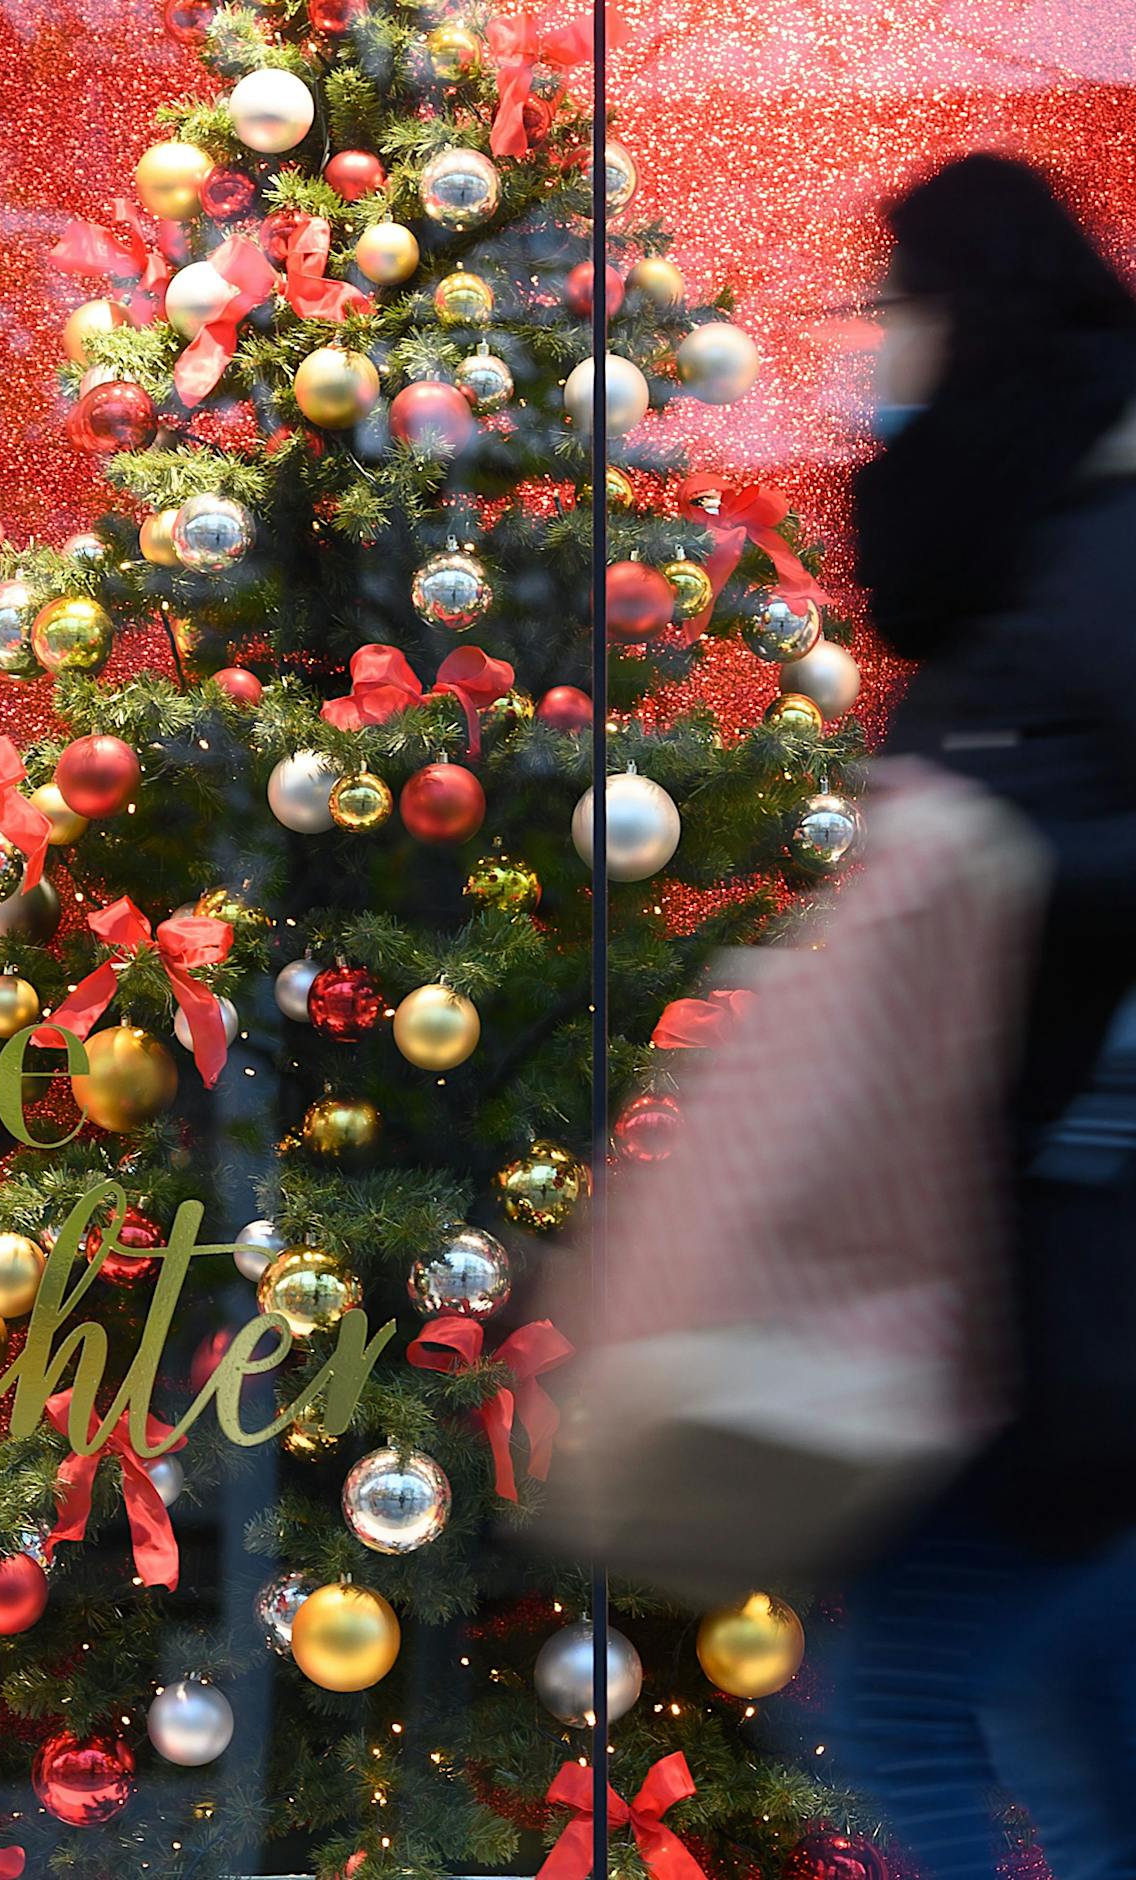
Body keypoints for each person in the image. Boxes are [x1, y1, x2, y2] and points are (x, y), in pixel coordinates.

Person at [825, 153, 1136, 1880]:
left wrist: (990, 861)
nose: (881, 347)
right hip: (999, 1250)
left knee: (920, 1707)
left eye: (900, 306)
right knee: (1020, 1722)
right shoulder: (1036, 540)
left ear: (969, 315)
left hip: (1065, 1264)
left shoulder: (1100, 546)